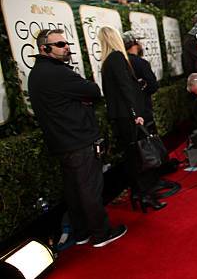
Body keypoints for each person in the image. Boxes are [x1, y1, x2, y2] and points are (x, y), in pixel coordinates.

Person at [28, 29, 127, 247]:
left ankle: (81, 233)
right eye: (61, 44)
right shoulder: (58, 73)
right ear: (44, 49)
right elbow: (92, 90)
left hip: (61, 143)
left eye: (67, 43)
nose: (67, 48)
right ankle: (101, 233)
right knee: (89, 189)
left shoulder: (36, 74)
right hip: (78, 141)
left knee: (74, 191)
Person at [98, 26, 166, 213]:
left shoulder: (106, 62)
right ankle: (146, 195)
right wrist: (136, 114)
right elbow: (126, 88)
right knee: (140, 156)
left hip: (119, 118)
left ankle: (138, 193)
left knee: (132, 156)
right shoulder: (118, 58)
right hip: (129, 117)